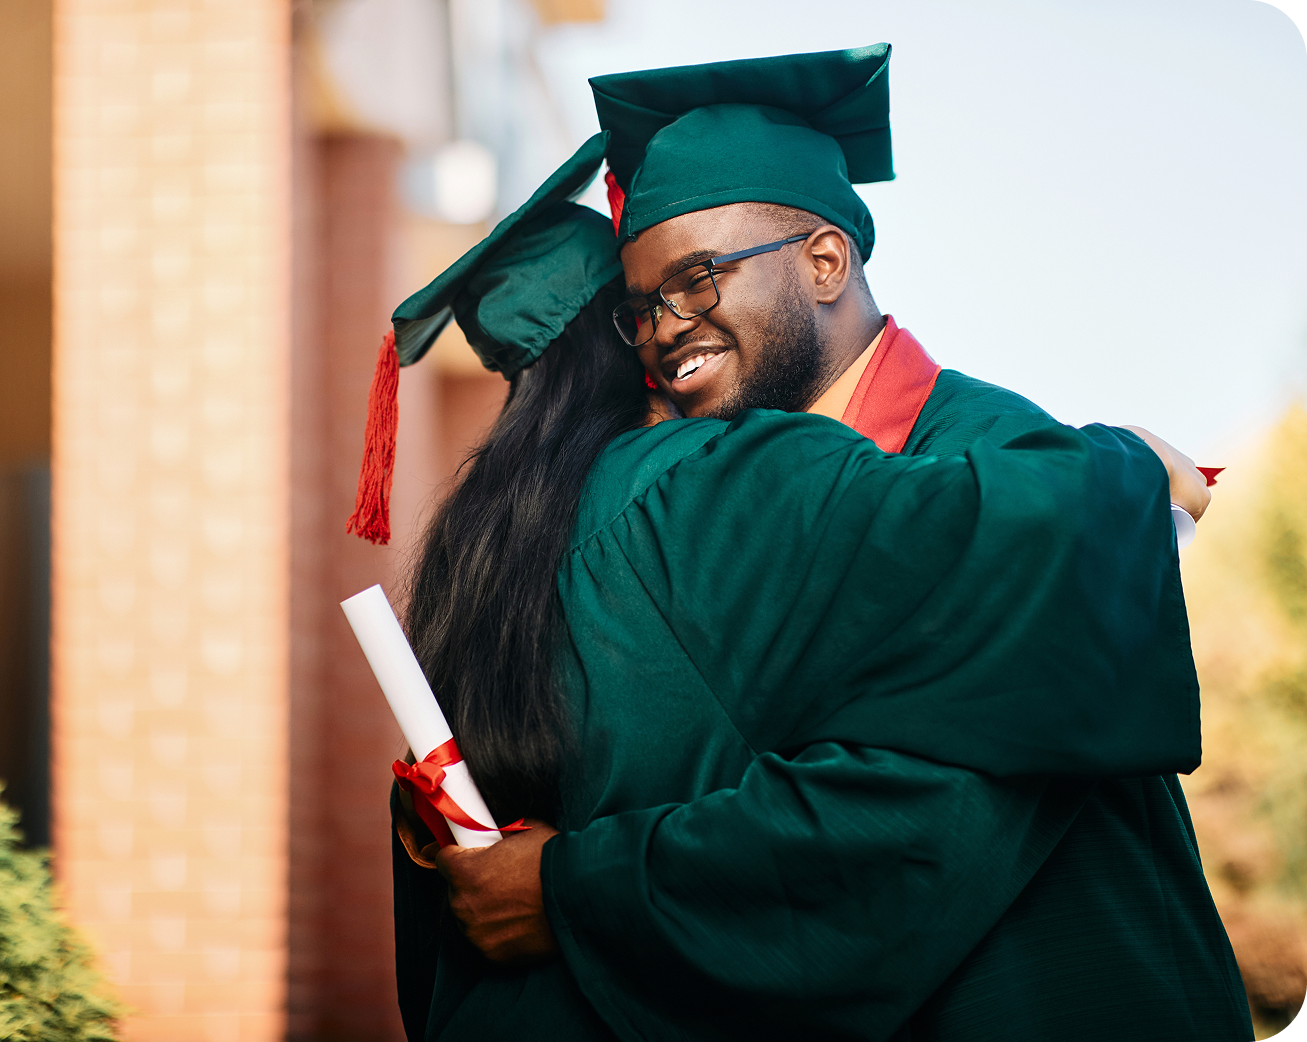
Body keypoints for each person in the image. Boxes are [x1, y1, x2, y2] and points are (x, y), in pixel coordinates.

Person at [359, 49, 1250, 1042]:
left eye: (696, 281)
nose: (661, 332)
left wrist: (1119, 472)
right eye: (641, 306)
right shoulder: (709, 497)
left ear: (824, 262)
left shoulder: (991, 456)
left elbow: (917, 820)